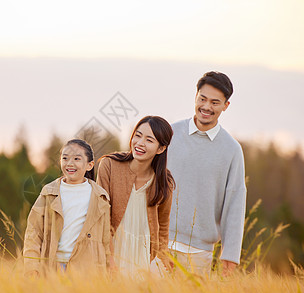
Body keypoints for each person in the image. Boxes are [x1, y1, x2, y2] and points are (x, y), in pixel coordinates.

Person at [167, 71, 246, 275]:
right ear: (195, 97)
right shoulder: (170, 134)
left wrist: (230, 254)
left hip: (199, 254)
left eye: (215, 102)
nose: (206, 107)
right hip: (159, 243)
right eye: (202, 99)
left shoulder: (232, 150)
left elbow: (235, 203)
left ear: (225, 106)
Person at [96, 116, 175, 276]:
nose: (140, 143)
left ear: (161, 149)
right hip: (114, 250)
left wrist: (163, 256)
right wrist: (109, 260)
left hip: (146, 256)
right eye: (137, 135)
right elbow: (101, 217)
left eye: (149, 140)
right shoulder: (109, 166)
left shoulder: (164, 182)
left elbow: (163, 226)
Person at [23, 139, 111, 276]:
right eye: (65, 158)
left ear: (89, 165)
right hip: (54, 267)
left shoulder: (101, 197)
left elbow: (105, 240)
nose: (70, 163)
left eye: (77, 158)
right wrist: (32, 268)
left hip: (88, 270)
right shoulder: (49, 192)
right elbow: (33, 233)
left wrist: (109, 270)